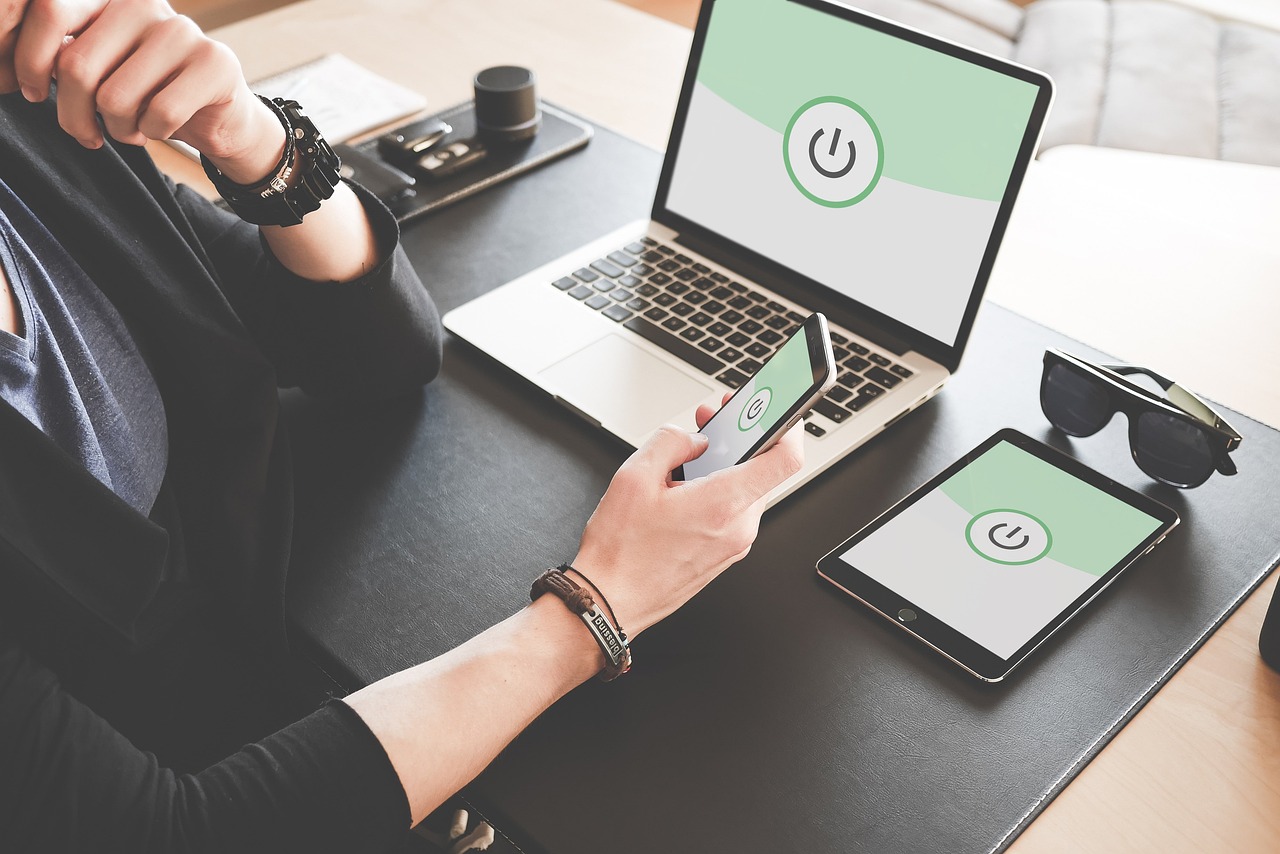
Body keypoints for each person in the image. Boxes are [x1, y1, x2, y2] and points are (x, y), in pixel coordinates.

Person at [0, 1, 804, 850]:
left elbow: (378, 354)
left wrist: (252, 137)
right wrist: (599, 605)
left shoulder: (39, 131)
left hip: (266, 677)